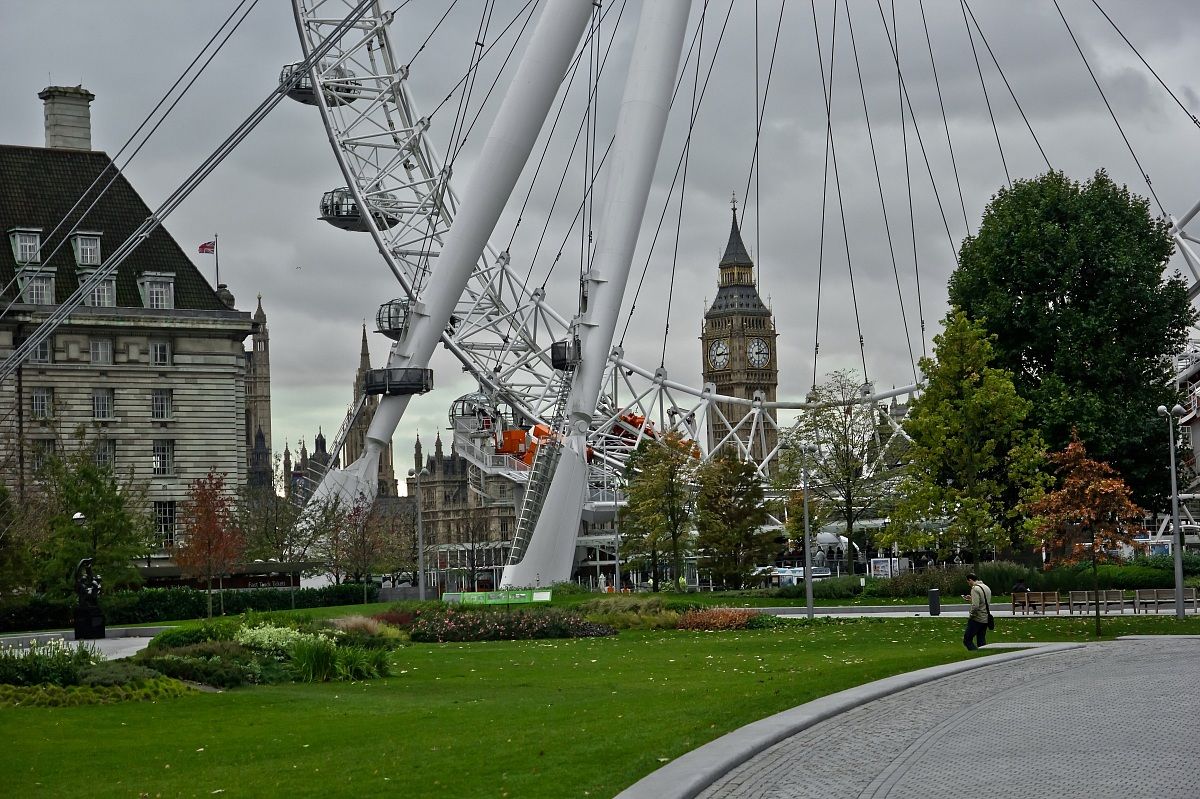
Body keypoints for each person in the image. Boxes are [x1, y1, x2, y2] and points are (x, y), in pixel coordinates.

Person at [962, 572, 993, 651]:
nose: (968, 584)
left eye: (968, 582)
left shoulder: (975, 589)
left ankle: (974, 652)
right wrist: (971, 599)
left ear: (970, 580)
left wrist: (971, 614)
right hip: (985, 618)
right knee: (981, 640)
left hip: (977, 618)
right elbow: (983, 602)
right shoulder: (986, 587)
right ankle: (983, 654)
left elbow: (975, 606)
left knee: (967, 639)